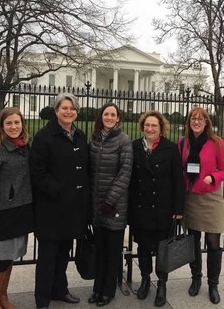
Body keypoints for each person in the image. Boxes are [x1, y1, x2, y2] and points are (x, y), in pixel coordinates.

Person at [30, 92, 90, 309]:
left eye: (72, 108)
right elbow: (38, 173)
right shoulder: (44, 137)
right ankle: (43, 299)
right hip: (51, 208)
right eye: (64, 108)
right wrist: (58, 190)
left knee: (64, 254)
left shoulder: (80, 136)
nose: (69, 111)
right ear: (56, 111)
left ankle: (60, 289)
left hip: (73, 208)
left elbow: (84, 170)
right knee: (47, 258)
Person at [128, 110, 184, 307]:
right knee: (142, 247)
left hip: (162, 207)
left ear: (161, 128)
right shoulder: (134, 146)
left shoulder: (170, 148)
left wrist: (179, 209)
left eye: (154, 126)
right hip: (140, 207)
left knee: (162, 249)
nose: (150, 128)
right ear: (142, 127)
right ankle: (145, 279)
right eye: (147, 125)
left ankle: (162, 283)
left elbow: (178, 179)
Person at [0, 107, 34, 309]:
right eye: (9, 123)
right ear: (1, 126)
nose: (14, 127)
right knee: (1, 258)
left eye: (17, 122)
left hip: (21, 210)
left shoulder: (26, 146)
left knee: (10, 257)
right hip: (1, 212)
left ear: (22, 124)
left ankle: (3, 297)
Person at [88, 102, 133, 307]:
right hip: (97, 205)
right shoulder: (95, 139)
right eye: (106, 114)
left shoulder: (123, 140)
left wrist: (109, 200)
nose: (109, 117)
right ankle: (97, 288)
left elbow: (125, 173)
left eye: (113, 114)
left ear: (118, 118)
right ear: (101, 116)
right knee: (100, 250)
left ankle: (108, 291)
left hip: (114, 205)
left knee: (113, 250)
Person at [179, 107, 224, 305]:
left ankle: (213, 284)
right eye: (193, 119)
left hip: (212, 196)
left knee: (214, 243)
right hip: (190, 197)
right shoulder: (183, 142)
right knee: (193, 241)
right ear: (189, 122)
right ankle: (195, 279)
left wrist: (213, 176)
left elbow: (223, 169)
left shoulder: (217, 143)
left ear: (206, 122)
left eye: (200, 119)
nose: (196, 122)